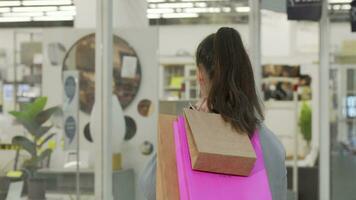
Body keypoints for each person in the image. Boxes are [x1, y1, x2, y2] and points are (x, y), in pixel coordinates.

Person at [140, 27, 287, 200]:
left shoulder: (184, 139)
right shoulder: (271, 145)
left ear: (200, 76)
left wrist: (193, 122)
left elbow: (149, 188)